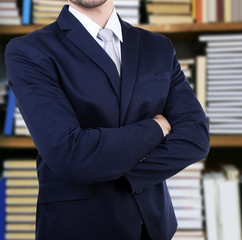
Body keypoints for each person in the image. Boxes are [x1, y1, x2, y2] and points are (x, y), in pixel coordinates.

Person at [5, 0, 210, 239]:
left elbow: (196, 138)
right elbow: (69, 154)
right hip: (76, 227)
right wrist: (156, 128)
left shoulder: (158, 47)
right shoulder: (30, 50)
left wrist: (117, 172)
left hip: (152, 227)